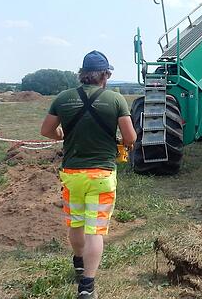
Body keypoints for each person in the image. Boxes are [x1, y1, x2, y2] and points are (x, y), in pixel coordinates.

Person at [40, 51, 136, 299]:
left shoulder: (63, 98)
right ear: (105, 75)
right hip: (102, 175)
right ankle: (87, 287)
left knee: (76, 224)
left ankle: (78, 263)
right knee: (95, 231)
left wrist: (61, 135)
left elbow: (46, 131)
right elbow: (130, 138)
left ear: (82, 74)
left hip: (71, 174)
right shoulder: (116, 99)